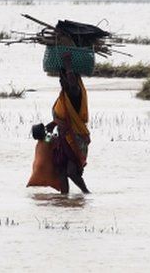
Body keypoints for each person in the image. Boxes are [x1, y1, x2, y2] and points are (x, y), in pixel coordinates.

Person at [46, 52, 90, 194]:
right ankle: (64, 199)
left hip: (75, 138)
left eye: (64, 79)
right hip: (64, 138)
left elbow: (71, 81)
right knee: (61, 171)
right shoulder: (65, 95)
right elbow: (63, 116)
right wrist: (53, 124)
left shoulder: (75, 92)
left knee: (72, 171)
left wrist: (68, 64)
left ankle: (86, 193)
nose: (62, 81)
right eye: (61, 79)